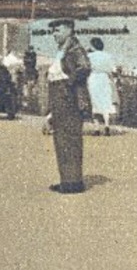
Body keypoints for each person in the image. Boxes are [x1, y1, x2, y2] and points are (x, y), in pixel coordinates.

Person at [45, 18, 92, 193]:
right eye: (53, 31)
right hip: (60, 99)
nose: (54, 34)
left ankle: (73, 183)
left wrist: (68, 86)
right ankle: (67, 180)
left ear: (69, 30)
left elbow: (84, 68)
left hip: (69, 99)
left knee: (70, 140)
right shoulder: (62, 51)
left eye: (57, 30)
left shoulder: (75, 49)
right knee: (61, 140)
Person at [86, 36, 118, 134]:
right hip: (104, 79)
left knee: (95, 103)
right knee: (105, 102)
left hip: (94, 78)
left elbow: (86, 67)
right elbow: (113, 69)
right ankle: (107, 126)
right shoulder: (108, 56)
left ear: (93, 45)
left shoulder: (90, 56)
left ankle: (96, 129)